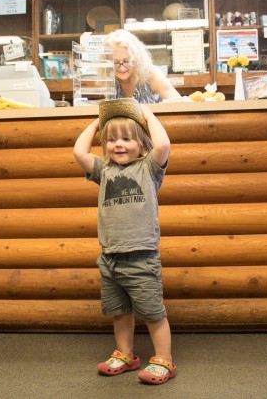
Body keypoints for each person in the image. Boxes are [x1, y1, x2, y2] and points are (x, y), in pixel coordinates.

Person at [72, 98, 176, 385]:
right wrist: (99, 123)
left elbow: (163, 146)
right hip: (110, 259)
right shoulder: (104, 171)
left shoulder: (149, 168)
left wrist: (148, 114)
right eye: (112, 139)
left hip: (142, 258)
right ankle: (126, 355)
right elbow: (79, 152)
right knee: (119, 313)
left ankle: (164, 360)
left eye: (127, 139)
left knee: (153, 314)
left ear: (141, 143)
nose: (118, 145)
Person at [104, 29, 181, 103]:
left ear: (137, 59)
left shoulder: (152, 75)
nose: (122, 68)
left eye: (127, 61)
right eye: (115, 62)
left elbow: (179, 105)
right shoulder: (110, 81)